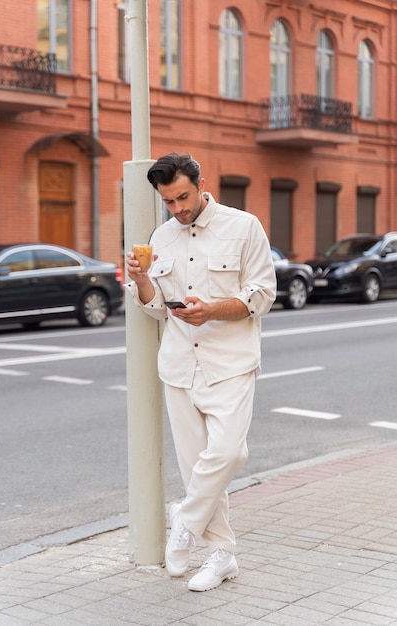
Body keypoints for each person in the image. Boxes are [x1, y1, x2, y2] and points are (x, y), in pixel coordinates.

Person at [126, 152, 276, 592]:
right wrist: (143, 281)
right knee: (197, 471)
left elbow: (262, 295)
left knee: (229, 454)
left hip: (230, 362)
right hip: (179, 366)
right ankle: (221, 555)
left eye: (183, 197)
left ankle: (185, 518)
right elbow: (157, 311)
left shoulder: (244, 227)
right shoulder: (162, 237)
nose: (178, 208)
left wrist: (212, 311)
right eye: (168, 201)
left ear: (200, 183)